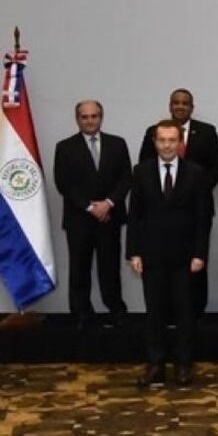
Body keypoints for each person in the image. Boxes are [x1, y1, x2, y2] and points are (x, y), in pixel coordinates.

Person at [127, 120, 212, 388]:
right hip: (151, 255)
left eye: (172, 140)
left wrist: (200, 253)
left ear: (180, 143)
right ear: (155, 142)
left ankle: (184, 365)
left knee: (186, 313)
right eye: (162, 140)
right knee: (155, 313)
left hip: (185, 257)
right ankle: (156, 365)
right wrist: (133, 252)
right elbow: (134, 215)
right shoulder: (141, 172)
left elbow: (203, 217)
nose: (167, 145)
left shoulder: (196, 173)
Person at [139, 88, 218, 318]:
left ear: (192, 107)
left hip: (196, 210)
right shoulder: (153, 132)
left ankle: (196, 312)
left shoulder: (206, 131)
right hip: (159, 216)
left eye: (185, 103)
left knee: (195, 265)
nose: (180, 106)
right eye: (176, 102)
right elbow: (145, 165)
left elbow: (217, 165)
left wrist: (198, 189)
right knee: (161, 274)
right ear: (170, 105)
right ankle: (166, 314)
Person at [53, 100, 131, 331]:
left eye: (94, 116)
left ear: (101, 117)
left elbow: (126, 177)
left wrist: (107, 204)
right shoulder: (65, 147)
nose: (90, 121)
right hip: (79, 219)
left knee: (110, 267)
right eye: (84, 117)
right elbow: (63, 183)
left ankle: (116, 311)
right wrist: (90, 207)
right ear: (77, 119)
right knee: (79, 268)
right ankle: (81, 313)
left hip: (110, 217)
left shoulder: (117, 144)